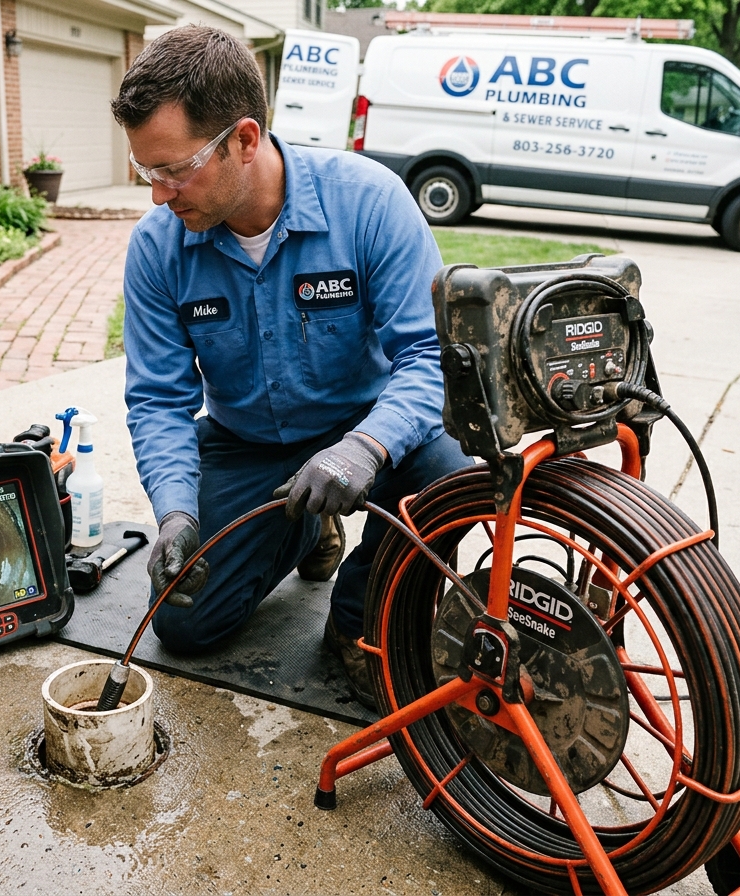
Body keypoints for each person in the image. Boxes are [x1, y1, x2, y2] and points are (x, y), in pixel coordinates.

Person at [111, 26, 469, 709]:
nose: (159, 195)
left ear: (245, 140)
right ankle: (306, 521)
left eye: (173, 170)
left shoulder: (368, 202)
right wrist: (176, 511)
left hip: (369, 432)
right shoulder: (158, 247)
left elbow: (430, 358)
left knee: (453, 467)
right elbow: (159, 399)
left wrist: (365, 447)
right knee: (185, 624)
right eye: (145, 172)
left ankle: (361, 623)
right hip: (248, 443)